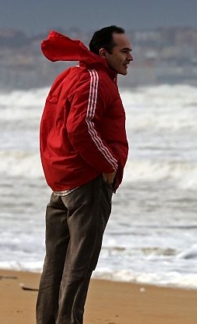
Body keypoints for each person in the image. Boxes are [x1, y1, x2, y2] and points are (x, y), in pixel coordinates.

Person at [36, 26, 133, 324]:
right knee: (79, 265)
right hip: (85, 184)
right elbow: (81, 127)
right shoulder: (95, 79)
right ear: (103, 53)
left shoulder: (70, 77)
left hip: (63, 181)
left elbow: (54, 125)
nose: (131, 57)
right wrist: (108, 166)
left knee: (56, 263)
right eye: (124, 51)